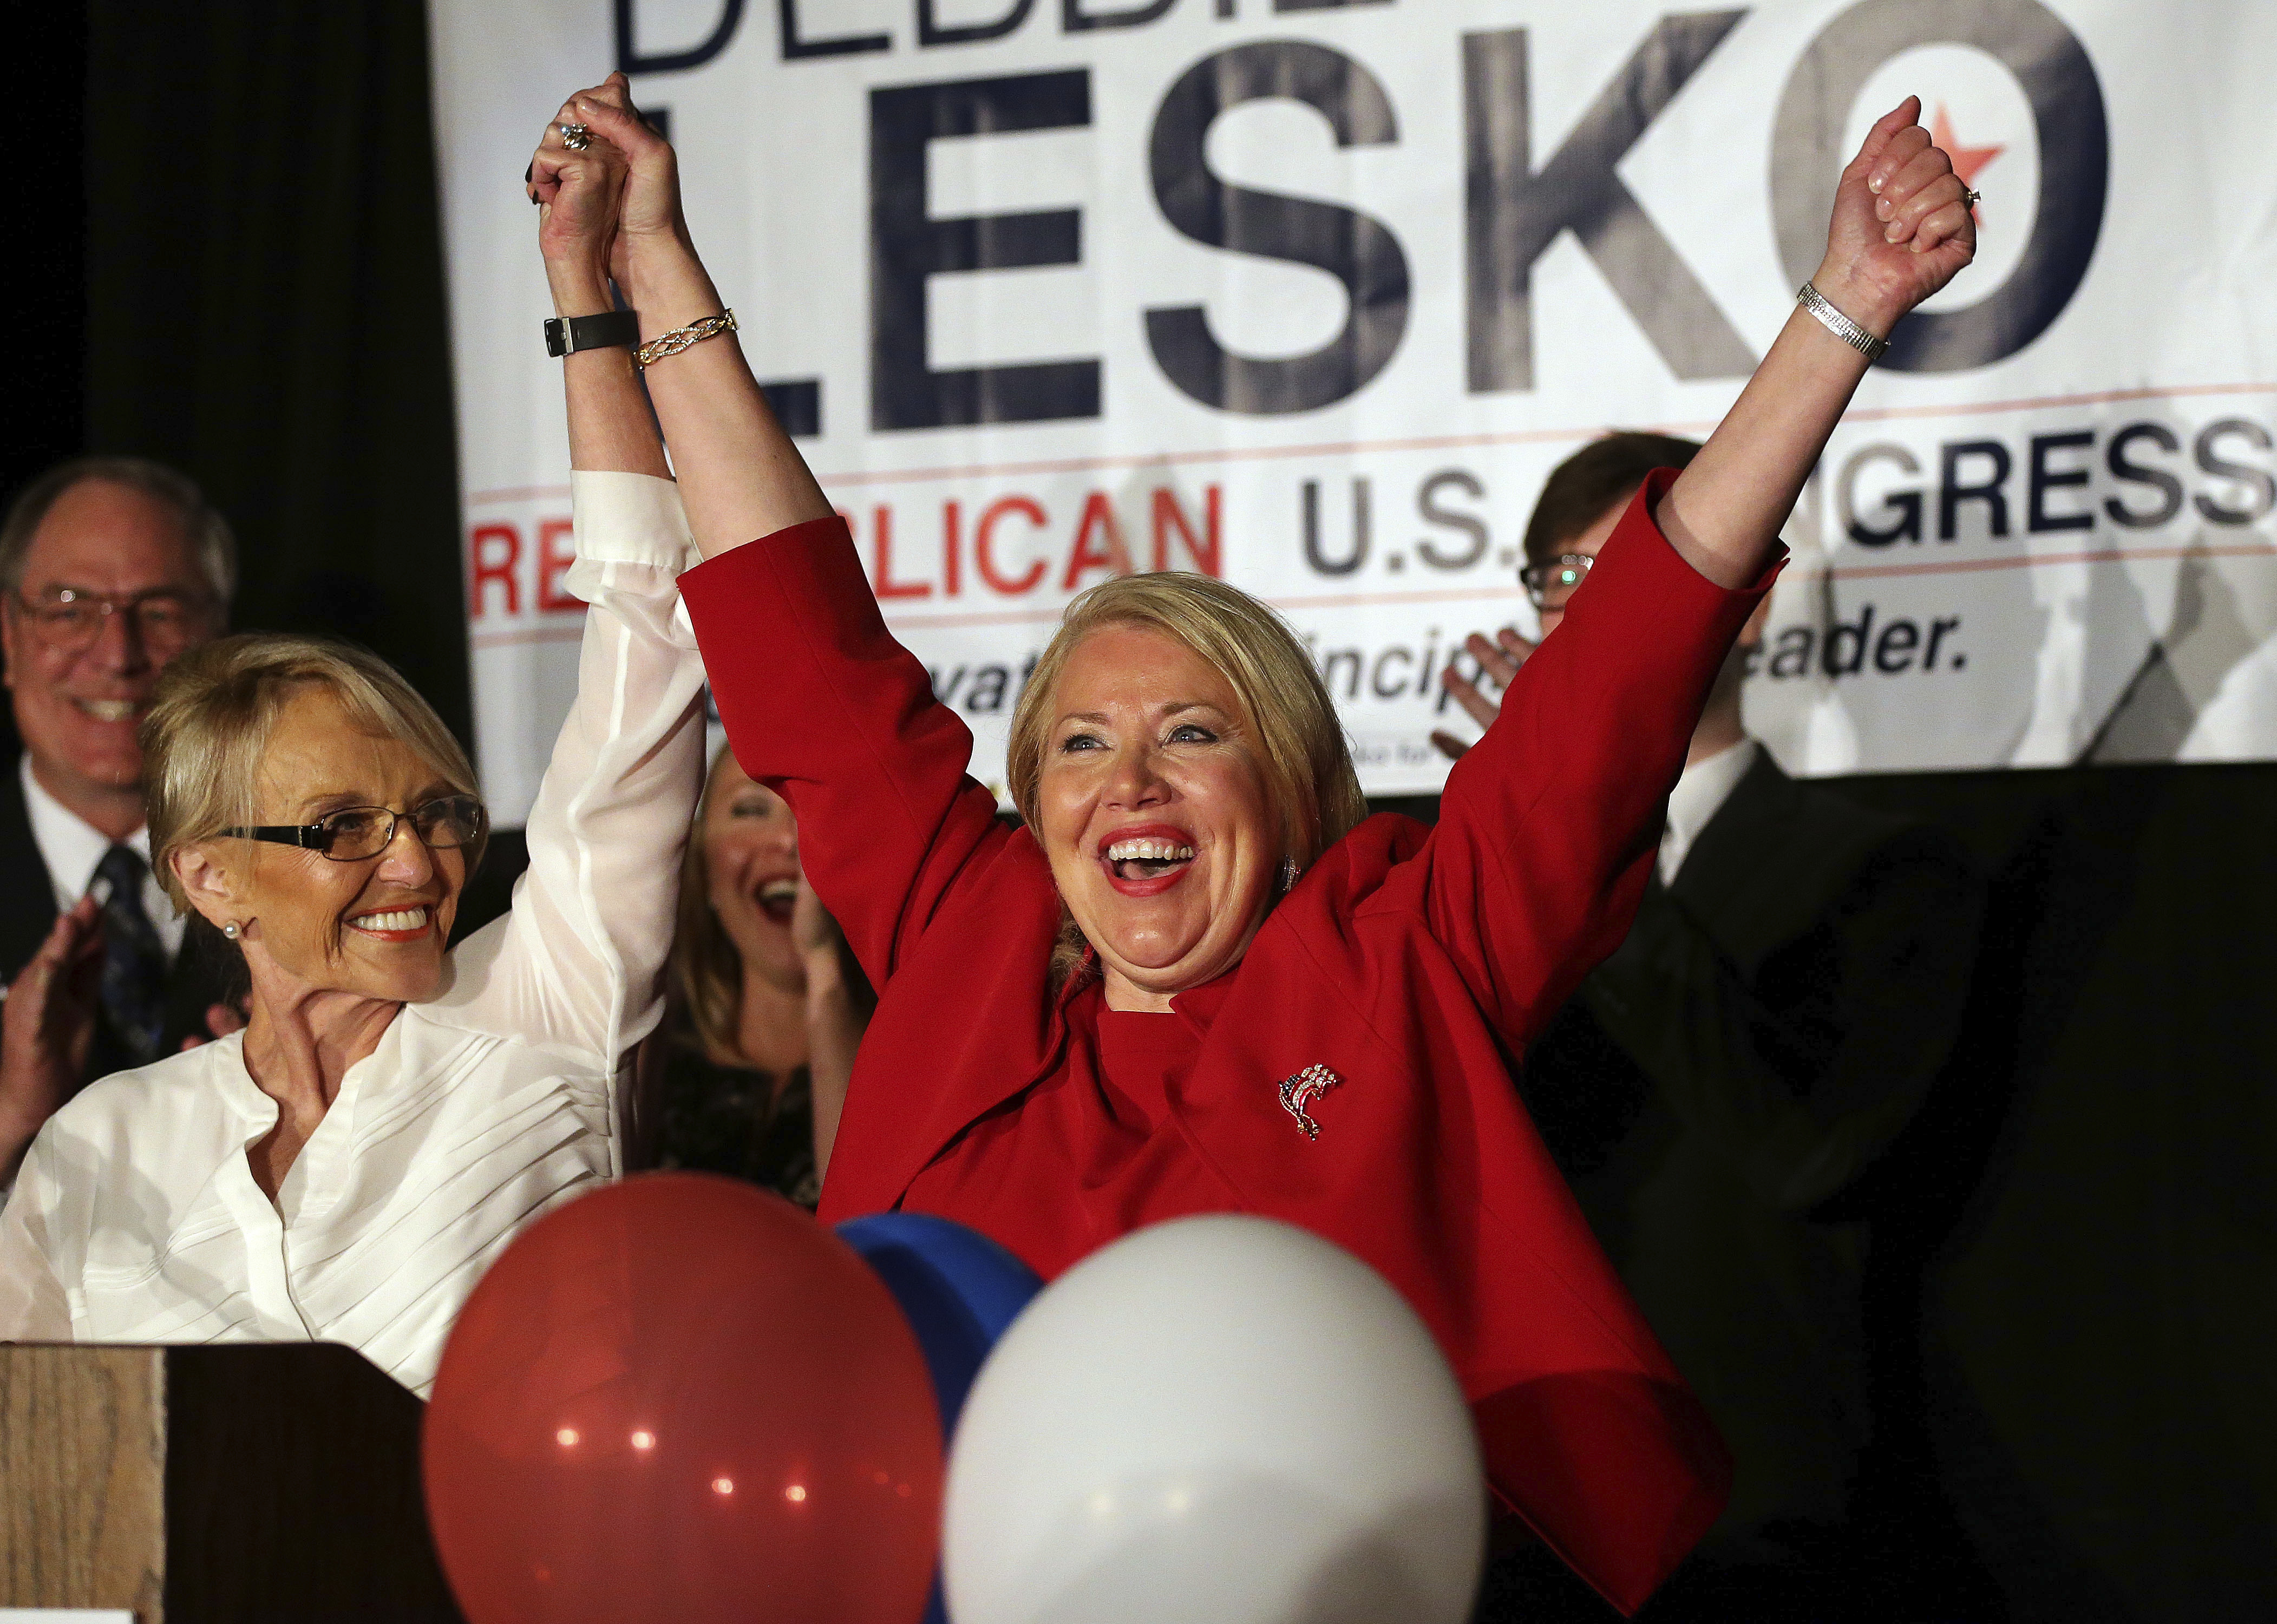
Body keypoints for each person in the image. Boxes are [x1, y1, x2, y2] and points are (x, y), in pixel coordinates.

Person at [541, 74, 1980, 1614]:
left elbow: (1620, 671)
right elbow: (799, 644)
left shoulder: (1399, 965)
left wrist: (1843, 306)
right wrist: (660, 273)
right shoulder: (966, 937)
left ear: (1290, 791)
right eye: (1082, 747)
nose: (1129, 787)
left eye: (1192, 735)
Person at [0, 151, 712, 1396]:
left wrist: (586, 299)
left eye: (437, 810)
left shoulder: (538, 1010)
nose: (420, 861)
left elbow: (650, 625)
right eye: (338, 826)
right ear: (213, 877)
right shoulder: (103, 1144)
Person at [1437, 434, 1987, 1616]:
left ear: (1746, 603)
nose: (1603, 621)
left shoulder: (1893, 875)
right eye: (1569, 589)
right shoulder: (1463, 890)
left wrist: (1585, 849)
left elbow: (1807, 1150)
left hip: (1774, 1515)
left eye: (1645, 579)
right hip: (1521, 1508)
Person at [0, 459, 245, 1181]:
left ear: (221, 638)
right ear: (9, 637)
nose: (118, 657)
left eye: (162, 612)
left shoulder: (320, 874)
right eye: (71, 609)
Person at [628, 744, 868, 1204]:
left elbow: (867, 1221)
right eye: (751, 810)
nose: (788, 841)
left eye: (816, 813)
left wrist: (823, 966)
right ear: (701, 863)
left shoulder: (917, 1050)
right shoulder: (652, 1047)